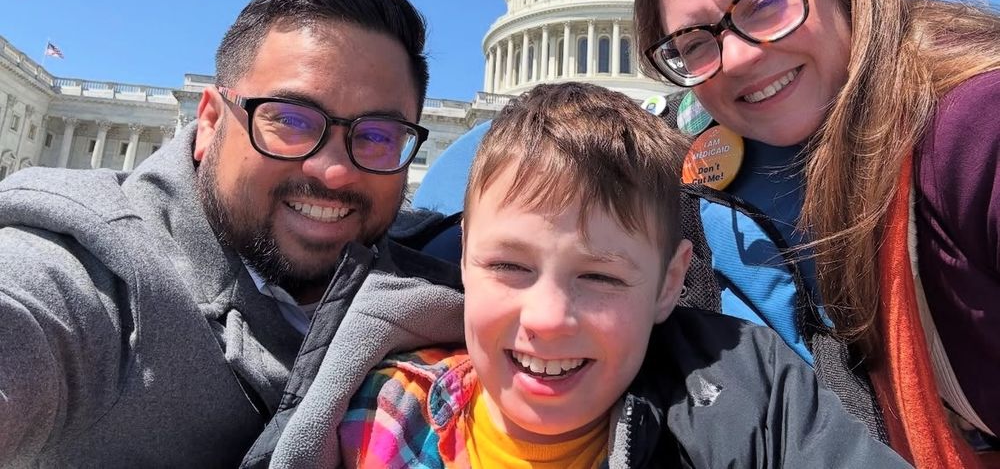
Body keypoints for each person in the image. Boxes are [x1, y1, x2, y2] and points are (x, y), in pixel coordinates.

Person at [0, 0, 464, 467]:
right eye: (289, 118)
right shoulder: (88, 276)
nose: (333, 171)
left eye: (378, 134)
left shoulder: (454, 268)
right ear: (210, 122)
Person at [336, 83, 908, 468]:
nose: (547, 319)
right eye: (509, 265)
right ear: (464, 259)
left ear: (668, 283)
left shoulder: (749, 409)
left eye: (602, 278)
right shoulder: (378, 414)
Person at [634, 0, 1000, 468]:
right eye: (695, 43)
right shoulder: (710, 183)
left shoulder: (972, 129)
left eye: (763, 3)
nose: (741, 57)